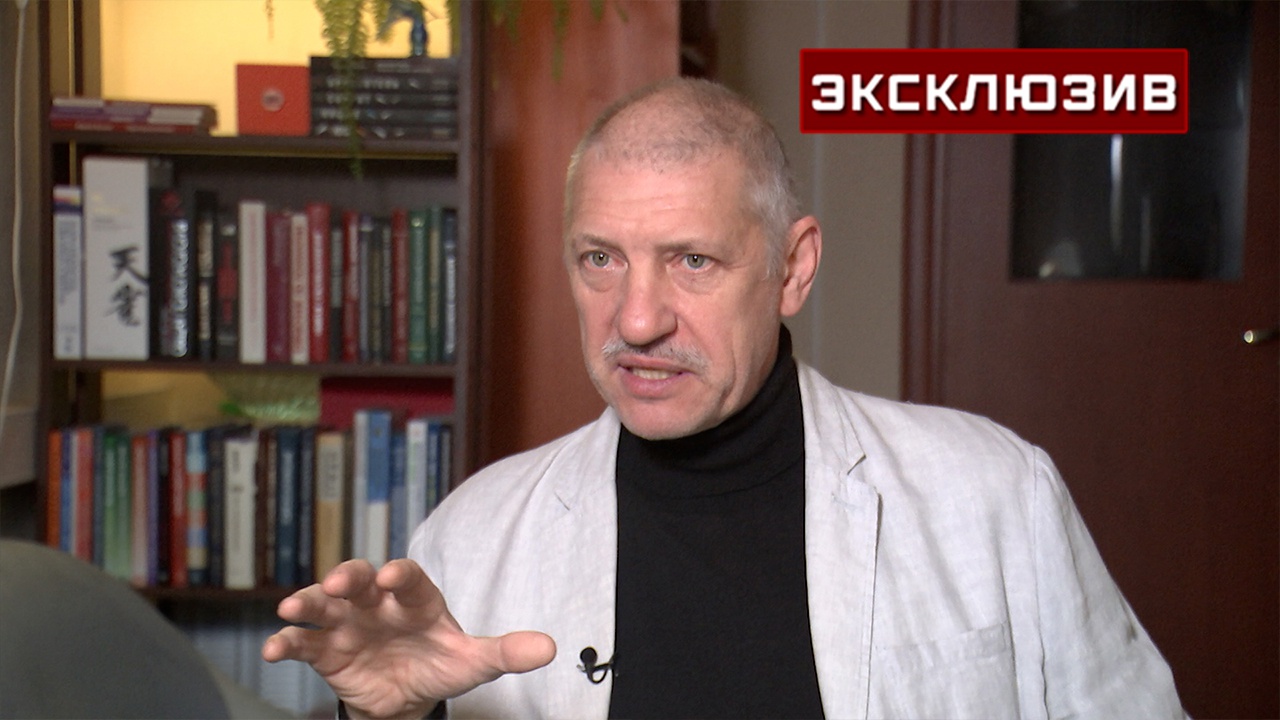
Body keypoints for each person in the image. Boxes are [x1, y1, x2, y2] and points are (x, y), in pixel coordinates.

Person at [263, 77, 1185, 720]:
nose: (637, 318)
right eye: (600, 259)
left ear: (794, 268)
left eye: (692, 261)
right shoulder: (472, 536)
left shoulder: (995, 492)